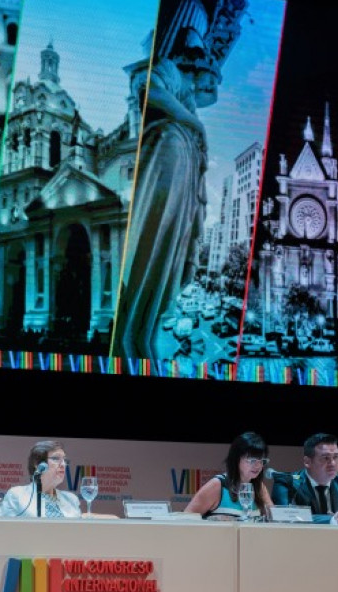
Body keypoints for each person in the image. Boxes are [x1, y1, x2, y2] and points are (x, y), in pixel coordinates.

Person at [115, 0, 246, 362]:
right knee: (151, 261)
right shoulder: (171, 72)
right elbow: (148, 91)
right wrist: (194, 124)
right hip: (168, 163)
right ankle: (132, 338)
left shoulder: (186, 101)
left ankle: (144, 334)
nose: (211, 84)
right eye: (210, 77)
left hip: (184, 185)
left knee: (168, 271)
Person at [270, 433, 338, 525]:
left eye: (335, 457)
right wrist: (335, 520)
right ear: (307, 462)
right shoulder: (287, 482)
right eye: (326, 458)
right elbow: (285, 516)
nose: (333, 463)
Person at [185, 431, 273, 520]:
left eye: (261, 460)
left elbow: (272, 519)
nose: (258, 466)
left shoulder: (259, 488)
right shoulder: (217, 485)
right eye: (252, 460)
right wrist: (211, 520)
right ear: (236, 459)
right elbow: (186, 518)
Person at [1, 440, 82, 518]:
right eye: (56, 458)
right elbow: (7, 529)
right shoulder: (16, 495)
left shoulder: (71, 499)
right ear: (37, 463)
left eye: (65, 460)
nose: (63, 464)